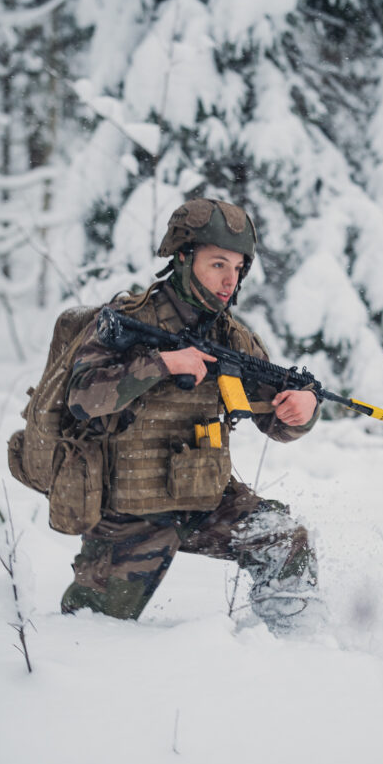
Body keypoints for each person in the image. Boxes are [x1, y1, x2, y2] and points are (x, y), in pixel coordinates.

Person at [60, 197, 324, 634]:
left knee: (284, 539)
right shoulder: (127, 321)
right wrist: (162, 364)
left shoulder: (232, 337)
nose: (229, 280)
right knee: (88, 633)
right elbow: (82, 397)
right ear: (183, 258)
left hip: (204, 498)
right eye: (218, 264)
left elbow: (275, 423)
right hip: (131, 508)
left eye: (237, 268)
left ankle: (291, 656)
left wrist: (302, 409)